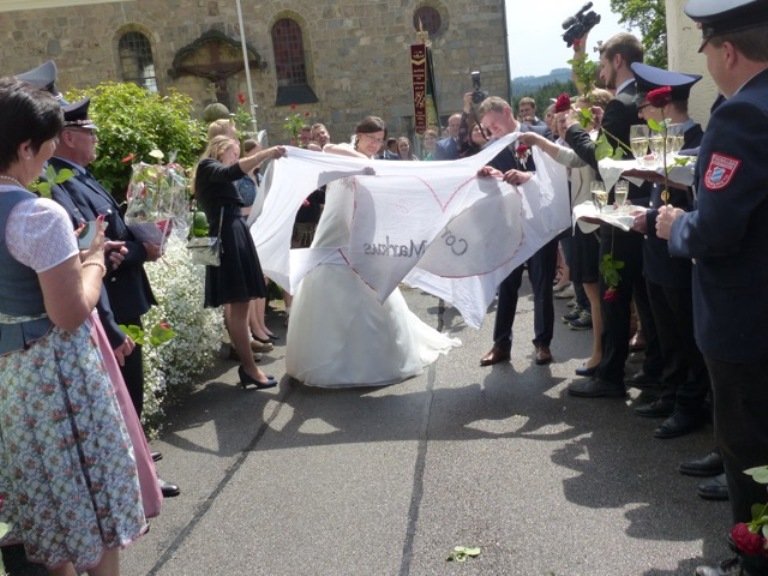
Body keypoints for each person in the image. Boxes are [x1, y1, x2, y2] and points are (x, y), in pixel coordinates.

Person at [0, 78, 146, 575]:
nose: (49, 155)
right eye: (46, 144)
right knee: (92, 497)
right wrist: (95, 260)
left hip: (11, 383)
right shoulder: (37, 215)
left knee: (46, 505)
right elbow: (69, 313)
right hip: (58, 377)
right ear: (25, 147)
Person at [656, 2, 768, 574]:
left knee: (750, 451)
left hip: (745, 319)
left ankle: (755, 562)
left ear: (727, 51)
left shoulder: (742, 114)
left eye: (706, 49)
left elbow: (718, 230)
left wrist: (678, 228)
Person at [46, 97, 181, 499]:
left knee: (130, 392)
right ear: (69, 137)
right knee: (124, 394)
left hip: (121, 296)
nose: (96, 139)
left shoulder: (80, 176)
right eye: (90, 132)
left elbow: (111, 232)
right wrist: (142, 250)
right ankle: (137, 481)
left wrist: (143, 236)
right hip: (110, 300)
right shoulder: (59, 183)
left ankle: (140, 465)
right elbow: (95, 247)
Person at [285, 115, 459, 387]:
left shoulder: (379, 164)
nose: (375, 145)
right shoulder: (344, 151)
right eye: (371, 138)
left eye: (379, 140)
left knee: (368, 288)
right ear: (359, 135)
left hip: (361, 230)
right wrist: (365, 161)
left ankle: (376, 358)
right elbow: (328, 148)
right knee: (326, 283)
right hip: (333, 230)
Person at [563, 32, 660, 398]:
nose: (602, 71)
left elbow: (602, 159)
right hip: (646, 205)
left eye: (604, 63)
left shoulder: (622, 103)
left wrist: (573, 131)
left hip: (621, 211)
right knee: (645, 295)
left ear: (618, 60)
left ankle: (610, 376)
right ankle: (654, 368)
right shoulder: (646, 96)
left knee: (614, 293)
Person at [627, 62, 710, 440]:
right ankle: (672, 392)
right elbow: (654, 195)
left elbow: (693, 202)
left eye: (645, 105)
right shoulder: (662, 141)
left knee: (685, 333)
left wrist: (648, 216)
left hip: (678, 255)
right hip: (656, 253)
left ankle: (690, 403)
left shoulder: (696, 142)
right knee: (666, 331)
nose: (641, 113)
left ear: (664, 105)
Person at [194, 135, 286, 389]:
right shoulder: (208, 167)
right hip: (229, 237)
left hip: (234, 234)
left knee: (240, 305)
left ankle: (249, 367)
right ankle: (249, 368)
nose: (236, 158)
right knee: (239, 305)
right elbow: (232, 171)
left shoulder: (212, 171)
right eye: (234, 153)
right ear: (220, 150)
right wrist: (265, 154)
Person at [475, 96, 559, 368]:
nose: (492, 131)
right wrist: (489, 175)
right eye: (488, 128)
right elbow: (491, 189)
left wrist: (528, 177)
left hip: (539, 222)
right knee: (507, 283)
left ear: (507, 111)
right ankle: (501, 344)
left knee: (542, 282)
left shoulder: (540, 134)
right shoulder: (491, 148)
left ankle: (543, 343)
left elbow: (555, 175)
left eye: (494, 124)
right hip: (509, 224)